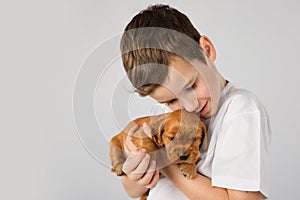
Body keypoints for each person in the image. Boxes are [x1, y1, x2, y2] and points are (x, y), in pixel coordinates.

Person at [118, 4, 271, 200]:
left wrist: (164, 162)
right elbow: (133, 191)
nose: (189, 106)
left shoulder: (240, 110)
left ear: (206, 51)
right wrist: (138, 169)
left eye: (191, 86)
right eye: (171, 100)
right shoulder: (168, 118)